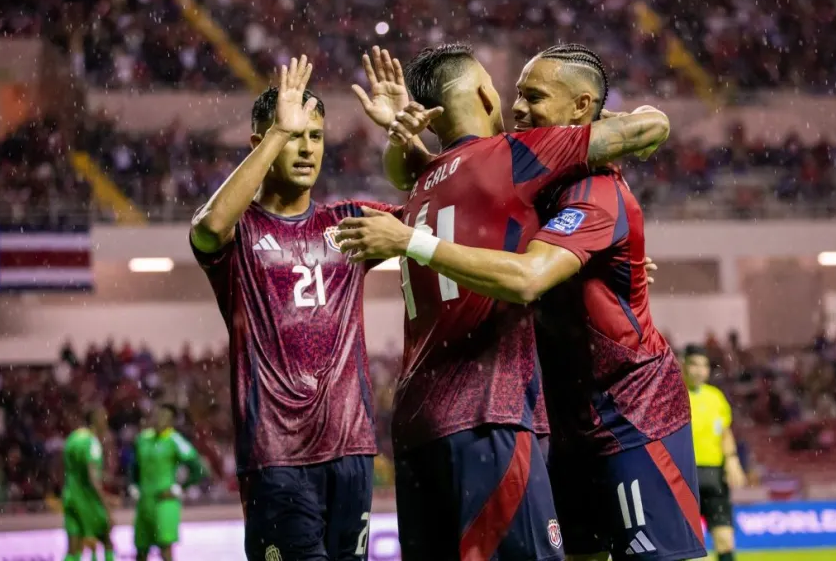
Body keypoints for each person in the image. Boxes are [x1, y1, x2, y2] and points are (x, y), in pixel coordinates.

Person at [338, 44, 702, 561]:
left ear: (579, 109)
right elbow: (446, 173)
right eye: (515, 95)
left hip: (628, 411)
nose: (519, 109)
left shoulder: (588, 184)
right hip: (555, 414)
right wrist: (405, 134)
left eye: (534, 96)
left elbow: (650, 128)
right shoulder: (524, 171)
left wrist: (408, 233)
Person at [190, 56, 400, 561]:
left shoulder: (349, 223)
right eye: (292, 136)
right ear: (260, 143)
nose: (305, 148)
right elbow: (206, 228)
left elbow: (436, 211)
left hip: (352, 452)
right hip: (276, 458)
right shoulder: (240, 233)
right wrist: (275, 133)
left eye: (315, 136)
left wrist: (401, 137)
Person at [684, 346, 745, 561]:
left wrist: (732, 460)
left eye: (704, 366)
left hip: (714, 477)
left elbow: (725, 433)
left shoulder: (716, 397)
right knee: (688, 548)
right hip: (684, 477)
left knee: (725, 539)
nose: (700, 371)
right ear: (684, 365)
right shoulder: (675, 395)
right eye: (694, 364)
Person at [130, 403, 209, 561]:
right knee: (141, 550)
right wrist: (133, 485)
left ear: (171, 422)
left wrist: (178, 488)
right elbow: (134, 466)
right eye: (158, 415)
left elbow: (199, 469)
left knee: (165, 549)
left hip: (165, 502)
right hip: (144, 502)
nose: (159, 420)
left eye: (164, 417)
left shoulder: (175, 440)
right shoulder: (143, 439)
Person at [62, 407, 115, 561]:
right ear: (96, 419)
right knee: (107, 540)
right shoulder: (92, 442)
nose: (106, 424)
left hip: (70, 496)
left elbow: (70, 470)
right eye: (104, 419)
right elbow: (93, 479)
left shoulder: (73, 438)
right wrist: (107, 506)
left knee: (73, 548)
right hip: (87, 500)